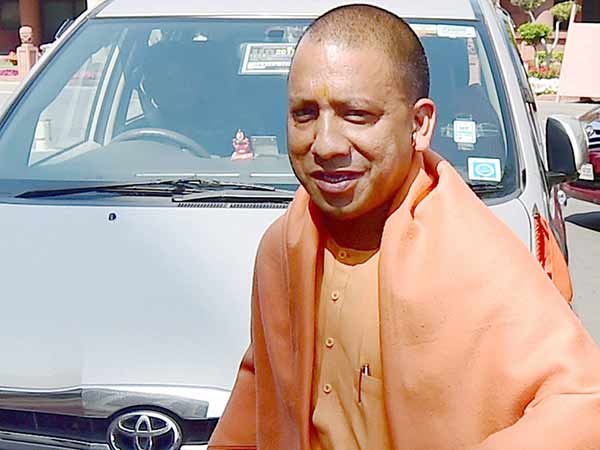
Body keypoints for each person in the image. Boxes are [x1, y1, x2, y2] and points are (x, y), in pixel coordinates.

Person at [208, 4, 600, 450]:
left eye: (357, 115)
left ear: (419, 125)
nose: (326, 144)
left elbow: (584, 403)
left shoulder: (473, 257)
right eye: (305, 114)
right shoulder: (285, 244)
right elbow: (264, 385)